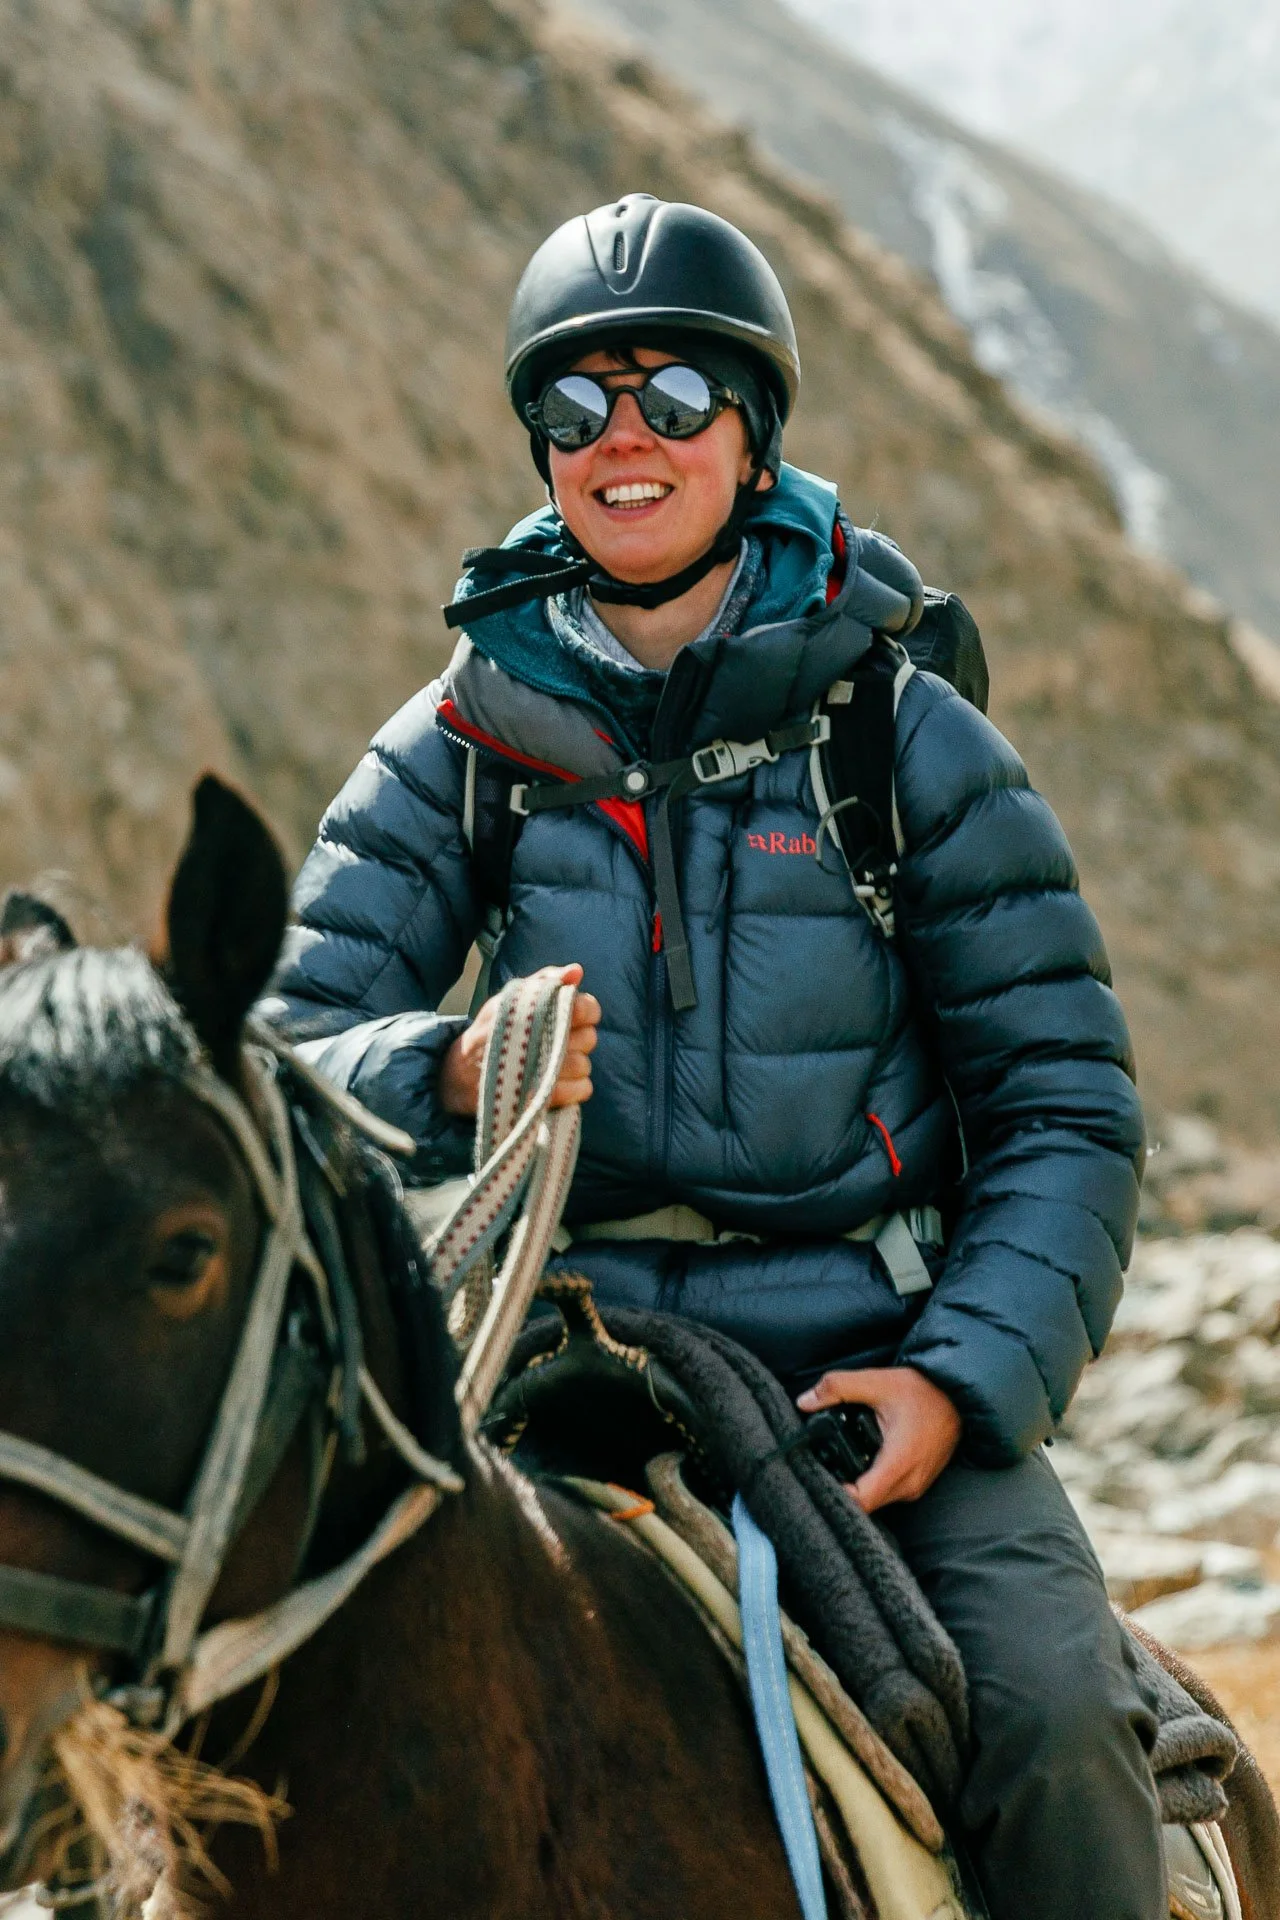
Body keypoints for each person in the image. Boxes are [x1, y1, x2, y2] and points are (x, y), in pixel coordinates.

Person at [266, 193, 1165, 1918]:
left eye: (672, 396)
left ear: (752, 437)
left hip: (870, 1369)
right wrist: (447, 1073)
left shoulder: (903, 734)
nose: (623, 439)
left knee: (1056, 1724)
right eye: (575, 405)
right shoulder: (458, 740)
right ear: (538, 449)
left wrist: (963, 1383)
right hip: (558, 1352)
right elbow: (287, 1047)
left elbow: (1063, 1099)